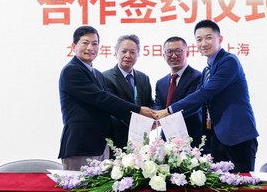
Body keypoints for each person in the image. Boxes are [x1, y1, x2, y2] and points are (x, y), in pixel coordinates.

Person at [155, 20, 259, 172]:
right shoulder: (207, 71)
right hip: (216, 138)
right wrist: (165, 119)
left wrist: (168, 111)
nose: (203, 43)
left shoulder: (229, 61)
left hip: (237, 136)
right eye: (199, 39)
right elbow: (198, 103)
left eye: (208, 38)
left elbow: (205, 93)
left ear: (220, 39)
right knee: (217, 185)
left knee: (242, 183)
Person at [58, 26, 156, 170]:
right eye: (85, 43)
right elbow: (102, 99)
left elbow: (108, 102)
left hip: (101, 144)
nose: (90, 47)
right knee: (79, 184)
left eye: (94, 43)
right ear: (73, 46)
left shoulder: (97, 74)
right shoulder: (71, 70)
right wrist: (138, 111)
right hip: (81, 145)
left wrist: (146, 120)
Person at [103, 34, 154, 148]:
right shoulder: (105, 77)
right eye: (124, 51)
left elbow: (148, 103)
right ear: (116, 53)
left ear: (138, 54)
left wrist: (154, 116)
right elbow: (112, 108)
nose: (128, 55)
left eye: (132, 52)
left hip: (141, 137)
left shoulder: (143, 78)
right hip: (115, 138)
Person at [152, 36, 203, 147]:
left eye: (178, 51)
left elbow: (191, 105)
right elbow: (158, 105)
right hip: (166, 138)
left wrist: (164, 115)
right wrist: (155, 115)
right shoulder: (161, 82)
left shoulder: (198, 77)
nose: (174, 55)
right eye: (169, 52)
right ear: (164, 55)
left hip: (192, 137)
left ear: (187, 53)